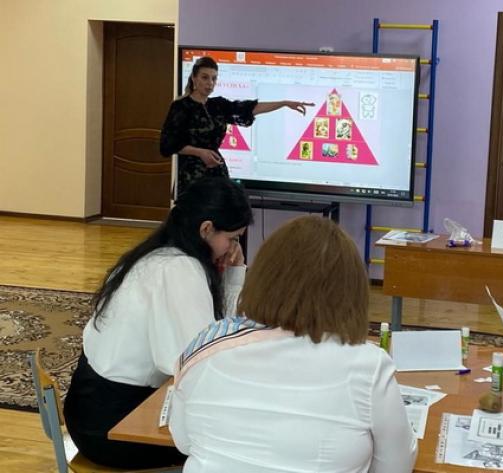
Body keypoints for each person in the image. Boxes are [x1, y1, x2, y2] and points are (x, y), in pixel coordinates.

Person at [169, 215, 418, 473]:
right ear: (350, 291)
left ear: (263, 277)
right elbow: (396, 465)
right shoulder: (368, 365)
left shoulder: (206, 346)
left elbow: (183, 441)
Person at [64, 177, 253, 469]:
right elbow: (200, 358)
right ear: (206, 229)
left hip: (88, 408)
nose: (233, 248)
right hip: (110, 426)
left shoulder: (157, 253)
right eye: (232, 239)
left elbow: (212, 337)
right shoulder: (179, 269)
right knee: (231, 442)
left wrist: (233, 273)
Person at [160, 56, 314, 194]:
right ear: (194, 78)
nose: (210, 83)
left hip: (216, 173)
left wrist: (284, 103)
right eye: (205, 77)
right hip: (191, 177)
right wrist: (200, 152)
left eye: (214, 78)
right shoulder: (181, 106)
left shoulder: (218, 105)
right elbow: (167, 145)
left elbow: (249, 109)